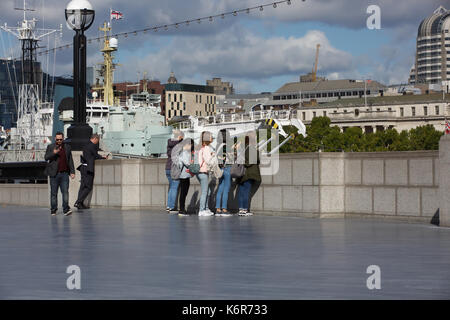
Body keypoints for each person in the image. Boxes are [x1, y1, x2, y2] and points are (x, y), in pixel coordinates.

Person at [44, 132, 75, 216]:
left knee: (65, 192)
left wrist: (72, 172)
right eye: (57, 139)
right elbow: (46, 157)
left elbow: (70, 160)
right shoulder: (50, 147)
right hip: (54, 174)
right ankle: (53, 210)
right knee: (54, 193)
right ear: (55, 139)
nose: (59, 141)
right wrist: (53, 152)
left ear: (63, 138)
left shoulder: (67, 147)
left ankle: (66, 209)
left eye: (60, 139)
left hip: (64, 174)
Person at [74, 134, 107, 210]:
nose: (97, 142)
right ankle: (78, 202)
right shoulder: (92, 146)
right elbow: (95, 155)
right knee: (88, 187)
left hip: (83, 168)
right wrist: (103, 157)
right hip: (88, 169)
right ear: (95, 139)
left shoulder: (86, 145)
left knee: (83, 186)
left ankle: (80, 204)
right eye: (97, 140)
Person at [237, 132, 261, 216]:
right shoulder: (252, 148)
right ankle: (245, 210)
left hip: (240, 173)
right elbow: (253, 161)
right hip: (249, 173)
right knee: (246, 191)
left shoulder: (243, 148)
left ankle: (241, 209)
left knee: (241, 191)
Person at [165, 130, 184, 213]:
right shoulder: (179, 145)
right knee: (174, 187)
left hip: (167, 168)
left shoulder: (169, 143)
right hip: (175, 168)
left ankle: (169, 206)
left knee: (171, 188)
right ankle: (172, 207)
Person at [196, 131, 214, 216]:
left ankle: (206, 208)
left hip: (198, 172)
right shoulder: (206, 148)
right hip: (203, 171)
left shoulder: (199, 147)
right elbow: (208, 160)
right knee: (205, 191)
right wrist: (213, 155)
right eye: (211, 136)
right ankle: (202, 210)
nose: (212, 138)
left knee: (208, 191)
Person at [215, 130, 233, 217]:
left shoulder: (218, 145)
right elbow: (230, 156)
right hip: (227, 168)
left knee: (220, 188)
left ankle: (218, 209)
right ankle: (224, 209)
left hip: (220, 169)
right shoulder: (227, 146)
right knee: (226, 189)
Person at [177, 140, 194, 216]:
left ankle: (182, 209)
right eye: (191, 145)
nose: (191, 147)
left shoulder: (184, 152)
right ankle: (181, 210)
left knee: (184, 192)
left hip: (185, 175)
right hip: (183, 176)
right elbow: (187, 163)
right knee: (183, 193)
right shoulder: (184, 153)